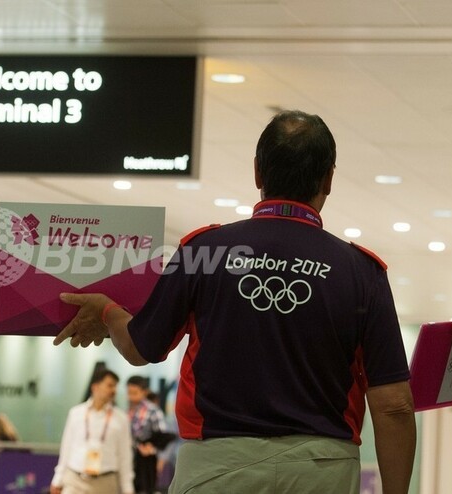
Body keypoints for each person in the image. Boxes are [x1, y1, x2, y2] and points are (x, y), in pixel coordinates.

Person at [55, 110, 416, 494]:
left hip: (216, 468)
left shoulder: (204, 252)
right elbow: (394, 406)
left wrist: (108, 313)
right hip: (322, 470)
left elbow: (141, 347)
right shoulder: (362, 272)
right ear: (329, 178)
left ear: (258, 172)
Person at [51, 369, 135, 494]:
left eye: (115, 387)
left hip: (105, 482)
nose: (114, 391)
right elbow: (66, 448)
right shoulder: (76, 413)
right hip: (75, 479)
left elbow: (125, 455)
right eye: (110, 385)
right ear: (95, 387)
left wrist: (127, 488)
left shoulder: (121, 419)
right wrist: (57, 479)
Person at [127, 376, 168, 494]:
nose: (131, 397)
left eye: (135, 393)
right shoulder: (128, 410)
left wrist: (156, 452)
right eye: (129, 393)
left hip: (147, 460)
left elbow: (164, 436)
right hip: (130, 458)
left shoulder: (153, 411)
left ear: (144, 392)